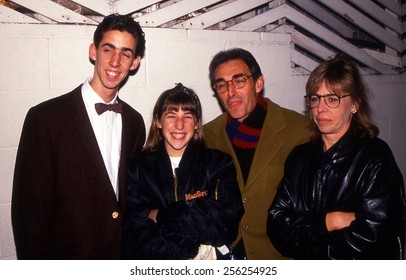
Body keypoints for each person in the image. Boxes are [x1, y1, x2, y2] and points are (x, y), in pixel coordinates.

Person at [11, 14, 146, 259]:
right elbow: (29, 215)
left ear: (135, 62)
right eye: (108, 49)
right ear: (93, 51)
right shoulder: (45, 118)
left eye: (126, 54)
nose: (115, 62)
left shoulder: (135, 122)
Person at [267, 53, 406, 259]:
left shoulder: (374, 159)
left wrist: (305, 236)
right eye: (315, 98)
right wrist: (328, 222)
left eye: (332, 99)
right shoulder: (300, 158)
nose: (320, 108)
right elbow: (276, 226)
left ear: (355, 104)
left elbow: (374, 240)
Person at [203, 48, 309, 259]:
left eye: (239, 80)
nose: (230, 91)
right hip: (226, 254)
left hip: (278, 255)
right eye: (222, 84)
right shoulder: (207, 135)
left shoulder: (299, 130)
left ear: (258, 83)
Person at [123, 83, 244, 260]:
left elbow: (226, 224)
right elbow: (136, 231)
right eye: (171, 116)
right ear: (158, 121)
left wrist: (163, 215)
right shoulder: (137, 168)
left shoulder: (218, 163)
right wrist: (186, 249)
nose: (179, 125)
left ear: (196, 123)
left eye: (187, 116)